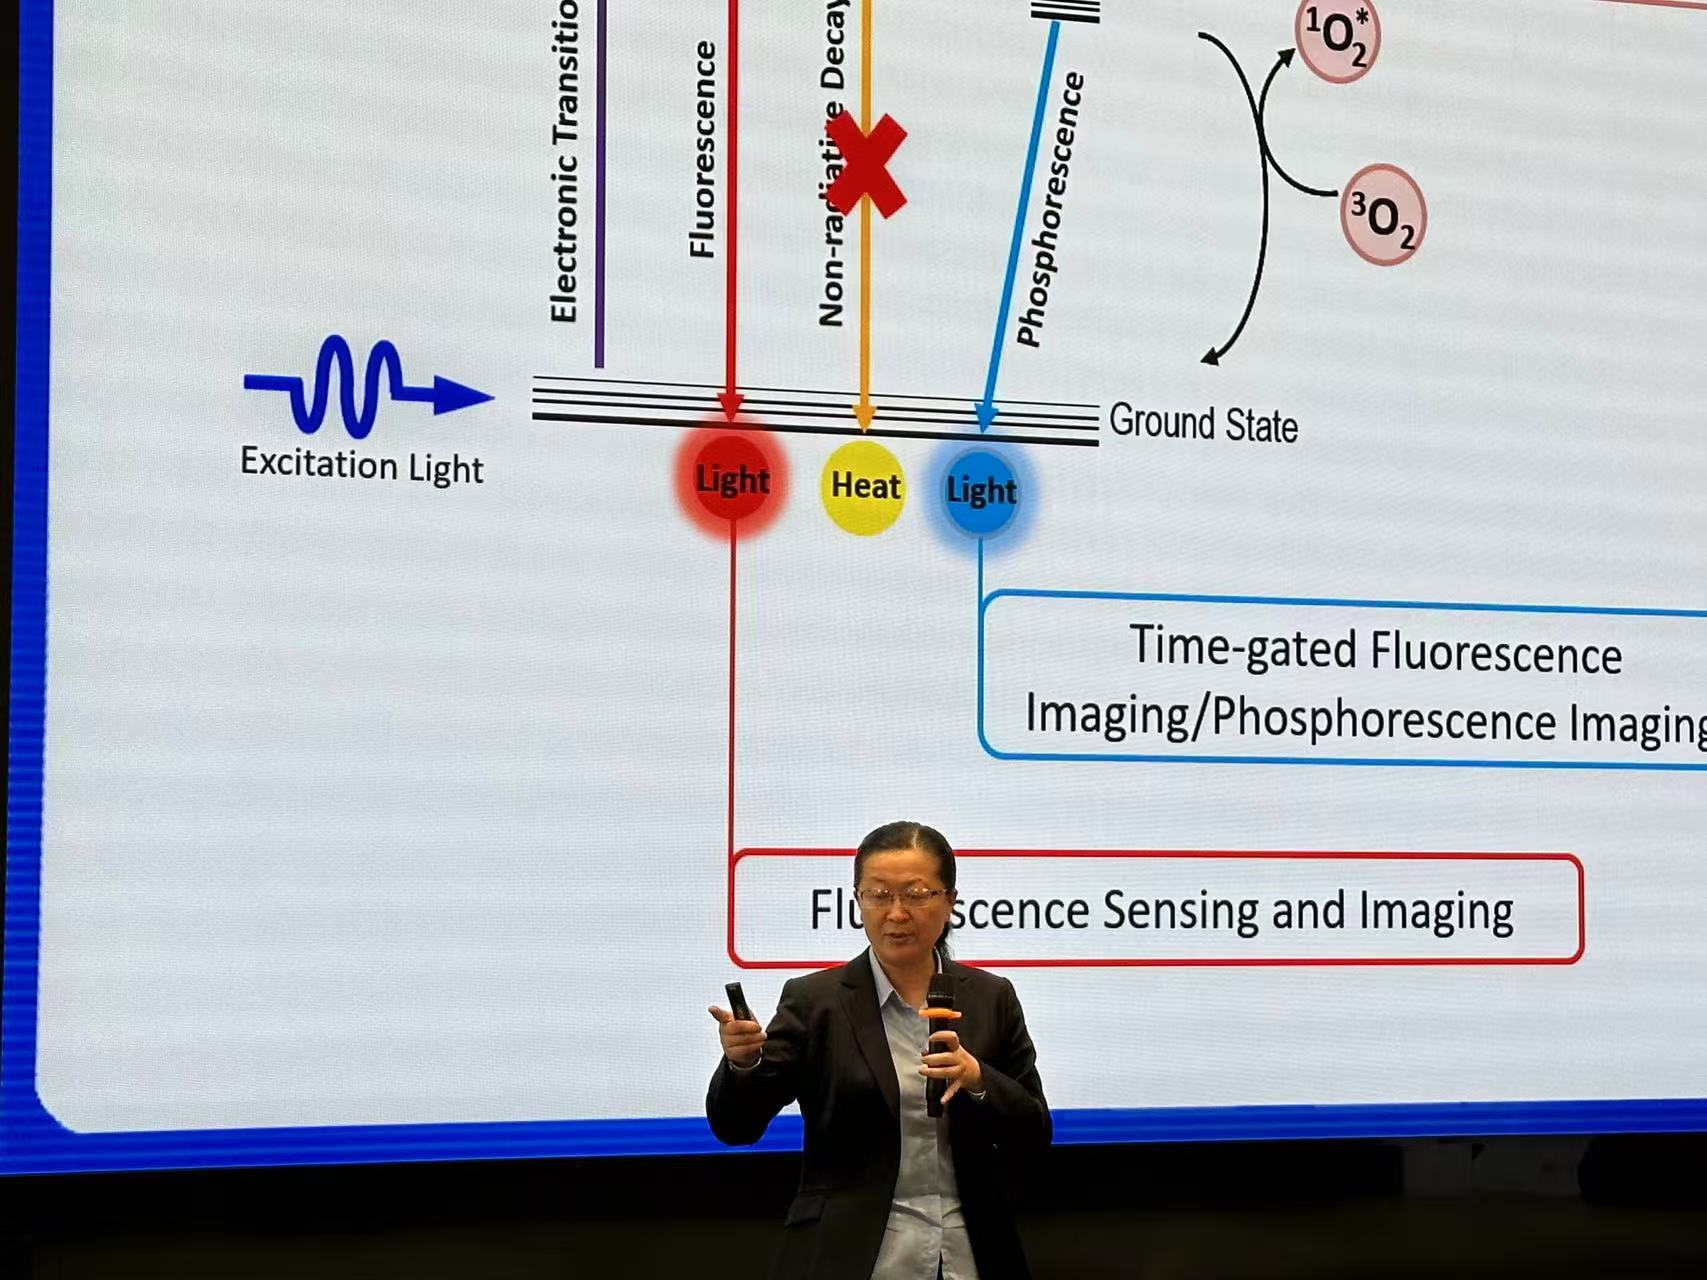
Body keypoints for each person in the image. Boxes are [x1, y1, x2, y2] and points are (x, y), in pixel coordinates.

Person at [707, 821, 1051, 1280]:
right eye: (879, 895)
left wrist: (978, 1080)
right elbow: (736, 1127)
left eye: (916, 894)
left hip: (970, 1255)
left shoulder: (992, 997)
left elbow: (1034, 1133)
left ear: (950, 900)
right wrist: (743, 1063)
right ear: (858, 900)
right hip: (854, 1256)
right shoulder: (816, 1002)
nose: (896, 913)